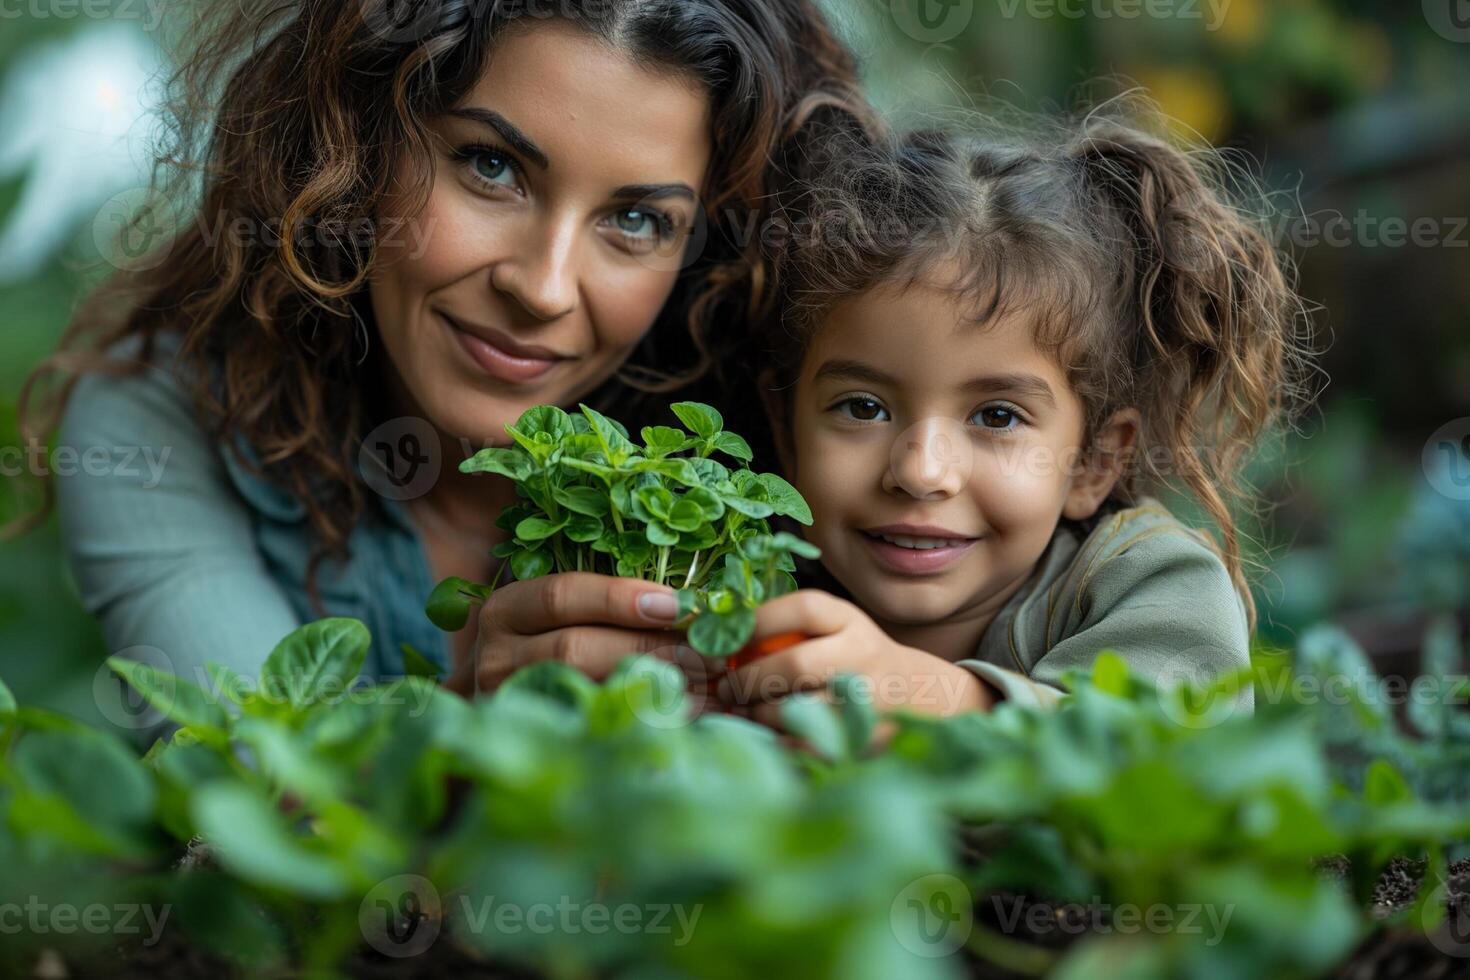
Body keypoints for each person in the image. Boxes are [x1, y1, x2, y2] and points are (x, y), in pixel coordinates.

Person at [13, 0, 870, 734]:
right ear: (354, 144)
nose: (541, 289)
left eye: (638, 221)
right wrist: (477, 722)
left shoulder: (793, 425)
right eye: (491, 167)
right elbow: (261, 791)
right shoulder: (160, 418)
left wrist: (964, 700)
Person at [713, 98, 1318, 727]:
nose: (921, 472)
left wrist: (948, 707)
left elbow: (1169, 761)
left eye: (997, 417)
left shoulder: (1152, 585)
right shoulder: (733, 571)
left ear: (1094, 461)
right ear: (784, 426)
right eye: (863, 407)